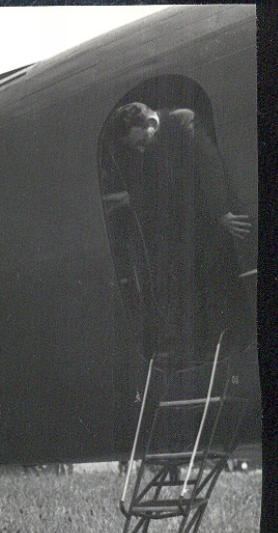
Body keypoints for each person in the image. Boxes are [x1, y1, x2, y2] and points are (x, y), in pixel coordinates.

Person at [108, 101, 253, 362]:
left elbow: (208, 163)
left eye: (140, 142)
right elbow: (156, 190)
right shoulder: (152, 147)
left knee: (219, 283)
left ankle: (234, 343)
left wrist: (222, 212)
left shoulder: (182, 122)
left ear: (150, 124)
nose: (140, 149)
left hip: (212, 223)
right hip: (192, 230)